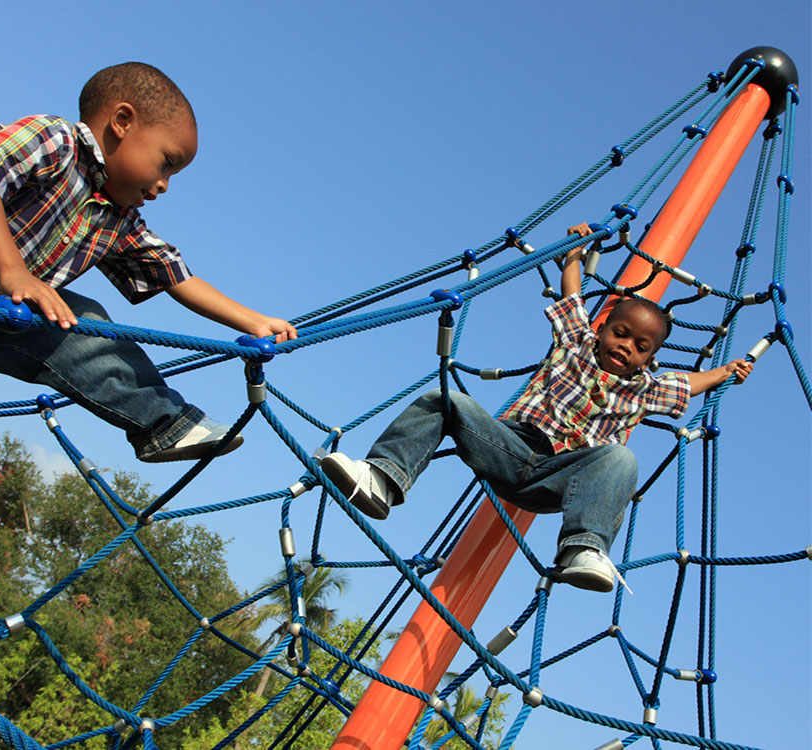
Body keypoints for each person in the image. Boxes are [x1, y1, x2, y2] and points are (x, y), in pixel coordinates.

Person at [0, 62, 296, 462]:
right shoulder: (55, 141)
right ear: (122, 122)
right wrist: (14, 271)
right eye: (166, 162)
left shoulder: (119, 220)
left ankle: (165, 424)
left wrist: (253, 321)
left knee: (84, 326)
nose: (165, 184)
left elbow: (176, 277)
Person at [320, 223, 753, 592]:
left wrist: (725, 371)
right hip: (510, 448)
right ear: (603, 329)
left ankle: (584, 547)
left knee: (620, 458)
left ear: (650, 358)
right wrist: (573, 257)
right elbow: (572, 300)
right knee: (446, 399)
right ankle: (382, 479)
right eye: (621, 334)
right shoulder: (576, 343)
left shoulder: (644, 390)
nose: (627, 347)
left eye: (641, 347)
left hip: (559, 479)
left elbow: (687, 383)